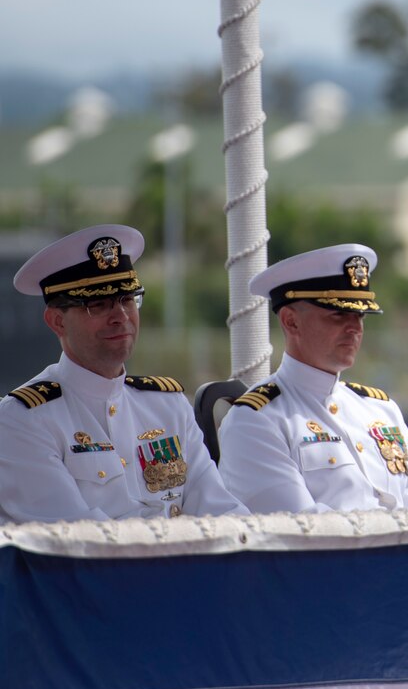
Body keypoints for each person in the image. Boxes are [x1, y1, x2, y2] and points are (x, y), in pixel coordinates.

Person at [0, 224, 247, 523]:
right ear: (57, 322)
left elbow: (222, 513)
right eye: (98, 305)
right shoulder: (22, 420)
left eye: (128, 299)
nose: (120, 317)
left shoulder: (166, 405)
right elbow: (76, 542)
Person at [217, 244, 408, 514]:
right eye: (339, 314)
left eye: (360, 315)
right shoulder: (255, 421)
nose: (355, 328)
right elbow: (301, 529)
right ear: (291, 322)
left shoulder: (381, 409)